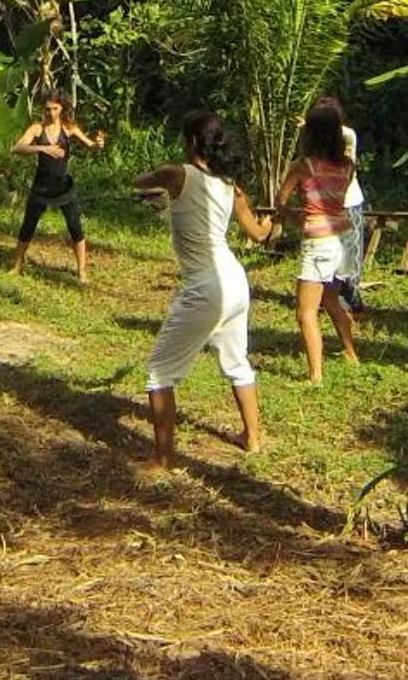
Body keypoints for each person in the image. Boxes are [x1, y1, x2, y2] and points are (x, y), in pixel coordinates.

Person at [131, 110, 275, 469]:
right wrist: (272, 222)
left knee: (160, 373)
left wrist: (161, 194)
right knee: (237, 362)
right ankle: (253, 438)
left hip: (206, 287)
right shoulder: (232, 186)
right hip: (236, 283)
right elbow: (259, 235)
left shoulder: (176, 173)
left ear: (192, 141)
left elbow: (139, 180)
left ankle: (163, 460)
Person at [277, 98, 363, 383]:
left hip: (319, 242)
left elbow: (281, 201)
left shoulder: (303, 166)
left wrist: (295, 217)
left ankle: (315, 376)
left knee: (305, 313)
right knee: (331, 299)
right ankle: (351, 354)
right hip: (343, 238)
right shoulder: (347, 166)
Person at [9, 90, 105, 282]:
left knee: (75, 227)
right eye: (47, 109)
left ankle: (82, 270)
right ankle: (17, 264)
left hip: (63, 187)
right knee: (28, 225)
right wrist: (43, 148)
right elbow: (17, 148)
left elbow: (91, 146)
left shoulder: (69, 129)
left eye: (54, 109)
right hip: (41, 186)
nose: (50, 113)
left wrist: (98, 145)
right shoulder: (37, 129)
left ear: (61, 109)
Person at [337, 119, 371, 313]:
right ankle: (335, 297)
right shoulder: (316, 139)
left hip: (349, 202)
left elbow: (348, 165)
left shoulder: (347, 134)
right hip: (328, 205)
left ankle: (352, 297)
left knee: (351, 254)